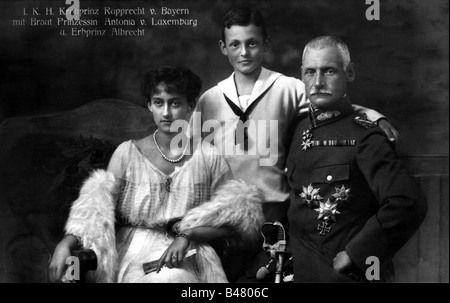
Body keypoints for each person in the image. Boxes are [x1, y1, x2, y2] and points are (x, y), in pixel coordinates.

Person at [193, 7, 398, 280]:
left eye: (252, 43)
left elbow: (331, 102)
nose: (244, 52)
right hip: (225, 217)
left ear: (265, 44)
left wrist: (375, 117)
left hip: (274, 212)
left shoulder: (287, 87)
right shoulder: (210, 99)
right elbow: (196, 157)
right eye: (235, 45)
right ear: (223, 47)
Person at [47, 66, 264, 283]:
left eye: (175, 103)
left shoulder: (208, 156)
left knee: (173, 278)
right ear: (149, 105)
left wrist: (189, 235)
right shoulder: (127, 153)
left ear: (190, 105)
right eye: (159, 102)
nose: (166, 113)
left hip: (189, 254)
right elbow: (95, 214)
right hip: (132, 252)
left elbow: (236, 220)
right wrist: (64, 245)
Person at [285, 36, 427, 282]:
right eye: (310, 72)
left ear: (349, 73)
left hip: (345, 275)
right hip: (301, 271)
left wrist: (357, 254)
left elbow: (407, 202)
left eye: (329, 71)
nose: (317, 82)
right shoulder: (297, 128)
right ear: (301, 75)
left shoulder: (366, 135)